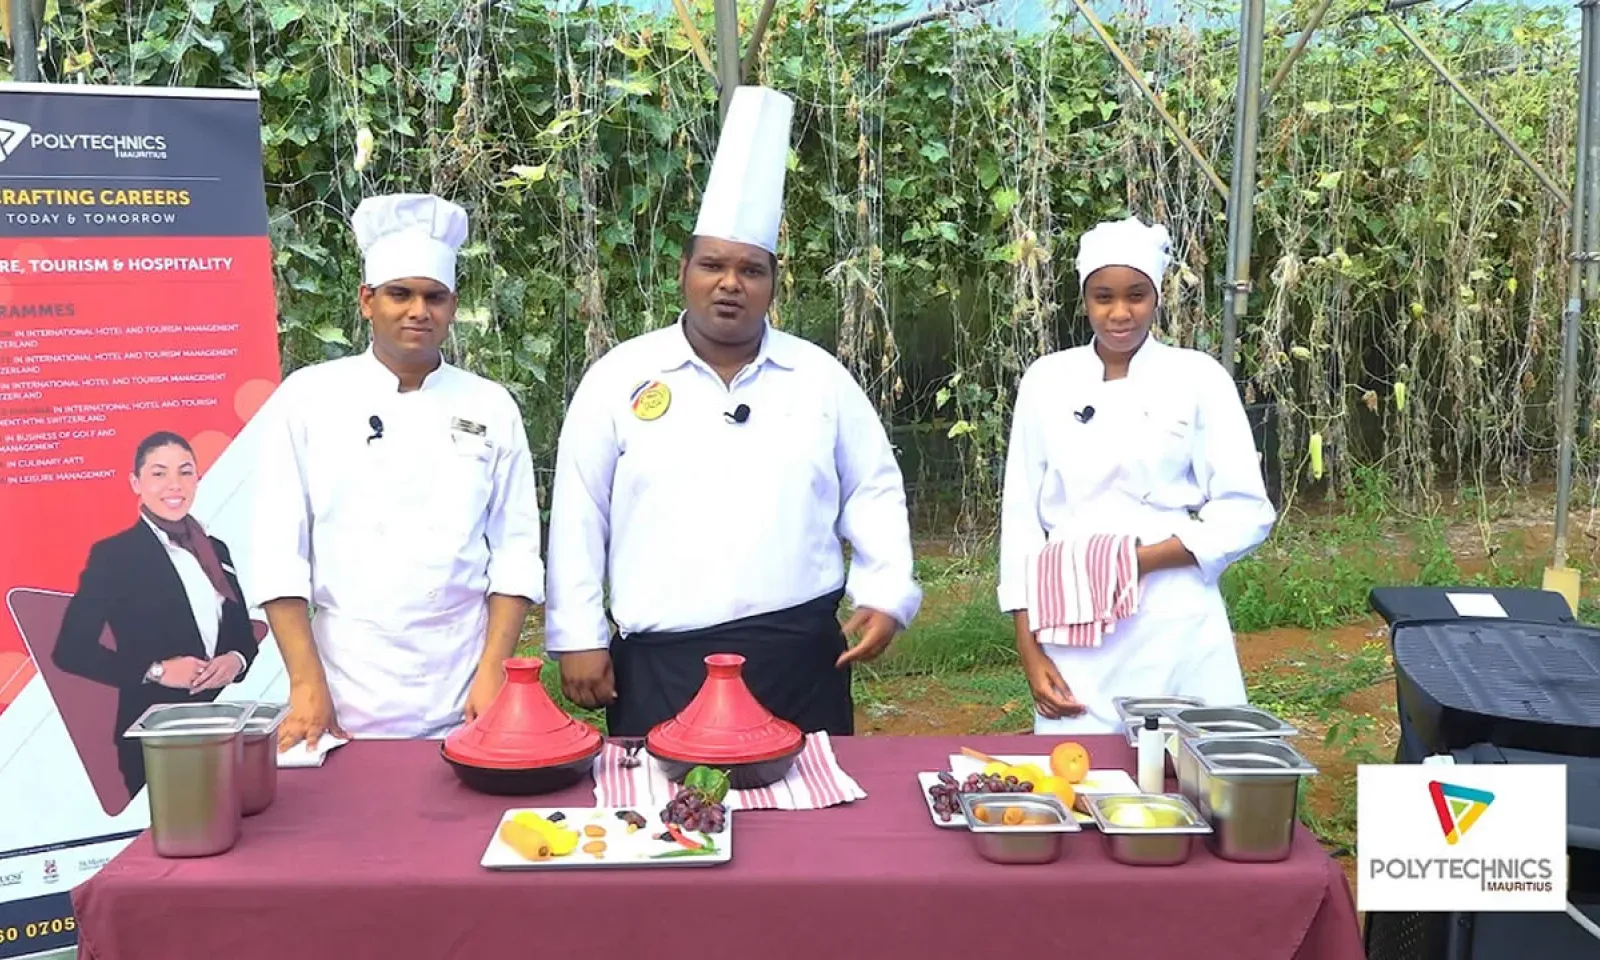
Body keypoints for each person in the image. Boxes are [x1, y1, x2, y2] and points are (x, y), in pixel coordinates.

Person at [544, 86, 922, 738]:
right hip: (662, 660)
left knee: (806, 800)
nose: (730, 283)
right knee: (665, 801)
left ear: (773, 281)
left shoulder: (819, 378)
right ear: (683, 271)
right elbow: (580, 511)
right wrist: (578, 633)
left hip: (798, 655)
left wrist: (887, 590)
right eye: (713, 265)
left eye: (751, 269)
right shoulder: (619, 379)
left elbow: (874, 487)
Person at [246, 193, 545, 749]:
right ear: (367, 301)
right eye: (400, 294)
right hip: (344, 689)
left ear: (452, 306)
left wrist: (493, 672)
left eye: (434, 297)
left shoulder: (490, 405)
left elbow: (516, 552)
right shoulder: (307, 399)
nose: (418, 311)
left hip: (465, 682)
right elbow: (279, 556)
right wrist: (307, 686)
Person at [996, 215, 1276, 734]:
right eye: (1103, 297)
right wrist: (1029, 649)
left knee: (1191, 767)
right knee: (1078, 769)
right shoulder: (1046, 381)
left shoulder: (1198, 378)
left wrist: (1136, 562)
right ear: (1085, 299)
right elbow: (1021, 520)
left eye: (1136, 296)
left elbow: (1246, 510)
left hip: (1174, 615)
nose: (1120, 313)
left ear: (1157, 298)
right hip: (1070, 619)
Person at [54, 431, 260, 796]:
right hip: (154, 733)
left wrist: (235, 659)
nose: (174, 484)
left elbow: (243, 634)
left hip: (219, 723)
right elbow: (71, 649)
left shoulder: (215, 550)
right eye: (159, 473)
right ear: (136, 483)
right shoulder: (115, 556)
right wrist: (157, 671)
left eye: (185, 472)